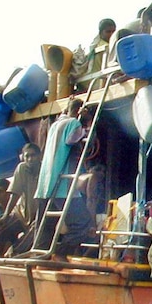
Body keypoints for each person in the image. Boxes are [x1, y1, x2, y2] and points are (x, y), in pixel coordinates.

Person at [34, 99, 96, 260]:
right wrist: (85, 122)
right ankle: (61, 253)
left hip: (45, 185)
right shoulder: (72, 123)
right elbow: (73, 139)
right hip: (62, 185)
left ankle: (40, 260)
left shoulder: (55, 125)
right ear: (77, 110)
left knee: (45, 229)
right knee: (83, 224)